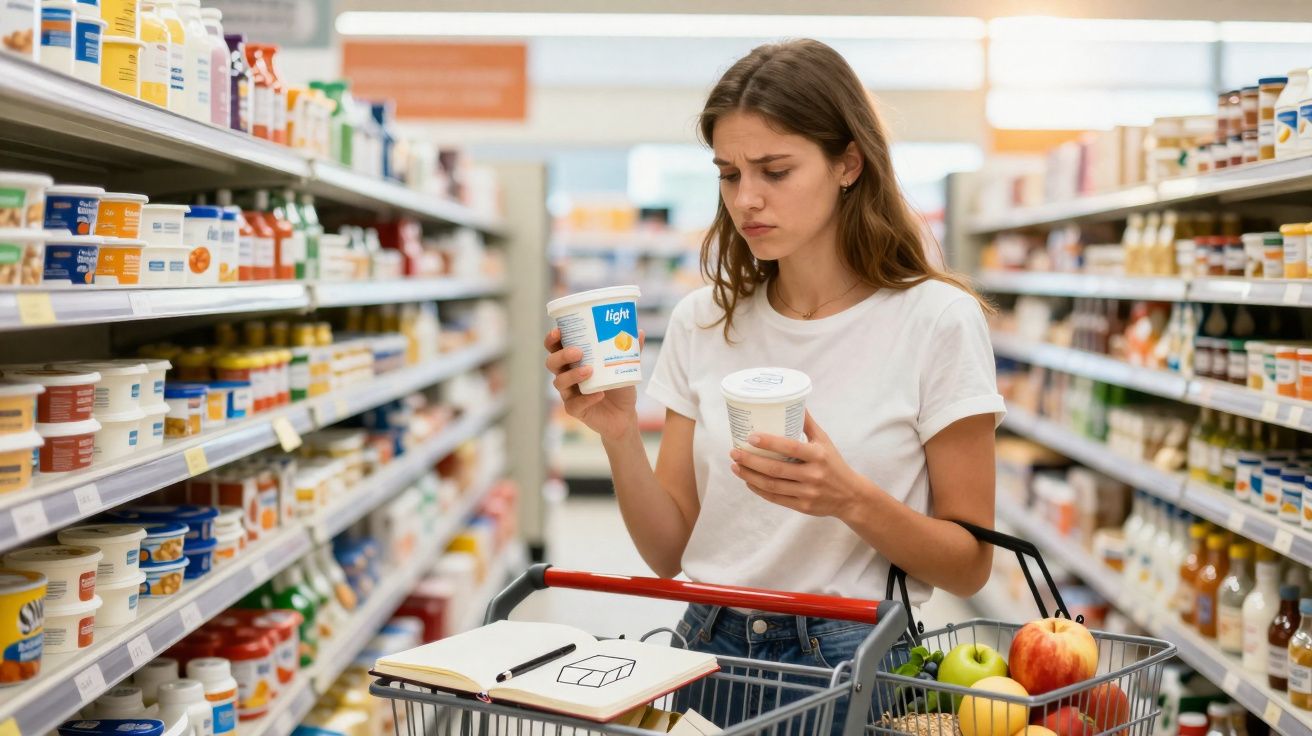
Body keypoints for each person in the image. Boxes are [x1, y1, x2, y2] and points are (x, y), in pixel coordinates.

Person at [543, 38, 1004, 730]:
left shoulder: (936, 321)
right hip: (709, 651)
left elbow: (970, 566)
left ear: (849, 162)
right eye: (728, 174)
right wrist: (616, 436)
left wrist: (848, 498)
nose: (746, 199)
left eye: (775, 170)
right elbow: (669, 552)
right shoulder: (706, 321)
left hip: (856, 662)